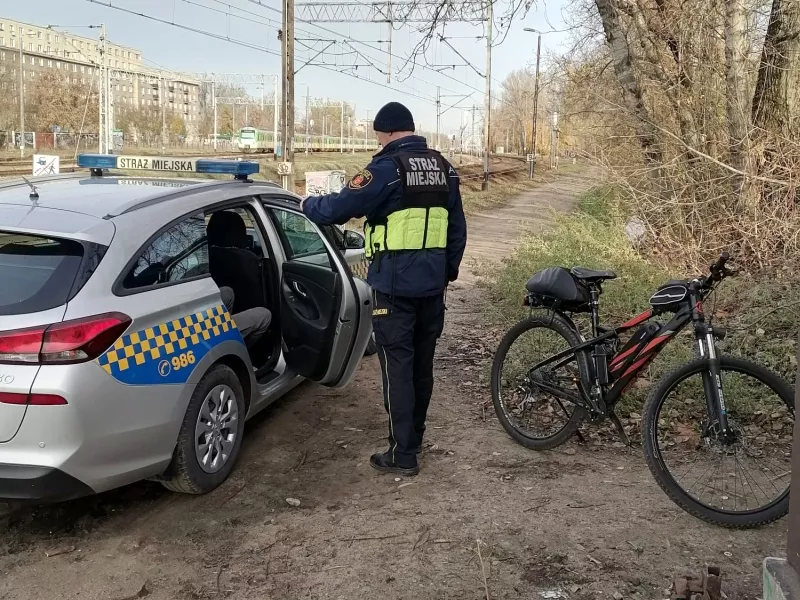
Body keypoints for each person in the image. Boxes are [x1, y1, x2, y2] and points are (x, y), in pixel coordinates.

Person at [301, 101, 467, 476]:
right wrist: (446, 273)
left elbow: (338, 208)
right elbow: (457, 229)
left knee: (397, 367)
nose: (376, 139)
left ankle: (403, 454)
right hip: (432, 287)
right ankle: (415, 437)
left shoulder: (387, 169)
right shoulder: (444, 169)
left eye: (377, 133)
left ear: (388, 131)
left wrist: (307, 203)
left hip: (394, 286)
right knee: (422, 366)